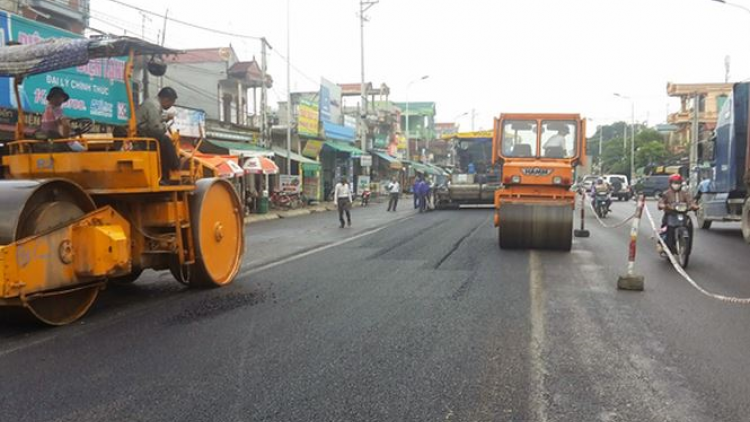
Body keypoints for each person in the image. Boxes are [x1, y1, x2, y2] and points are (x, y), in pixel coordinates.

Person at [136, 87, 181, 185]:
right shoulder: (154, 105)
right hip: (141, 134)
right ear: (166, 99)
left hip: (143, 132)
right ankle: (175, 166)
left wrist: (164, 118)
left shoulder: (152, 104)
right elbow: (156, 128)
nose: (171, 106)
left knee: (162, 141)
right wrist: (165, 125)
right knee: (165, 141)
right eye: (171, 103)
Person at [657, 174, 699, 252]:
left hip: (683, 215)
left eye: (678, 182)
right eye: (675, 182)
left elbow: (691, 202)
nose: (676, 184)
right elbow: (661, 203)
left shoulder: (685, 193)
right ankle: (662, 243)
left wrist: (694, 206)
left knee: (689, 225)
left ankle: (687, 247)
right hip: (670, 215)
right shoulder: (666, 193)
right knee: (665, 229)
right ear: (670, 183)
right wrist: (664, 206)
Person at [41, 87, 84, 151]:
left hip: (50, 138)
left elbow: (57, 124)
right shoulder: (56, 109)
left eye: (61, 97)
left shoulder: (47, 109)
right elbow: (66, 125)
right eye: (57, 97)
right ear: (52, 98)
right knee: (83, 150)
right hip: (57, 140)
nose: (60, 99)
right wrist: (66, 138)